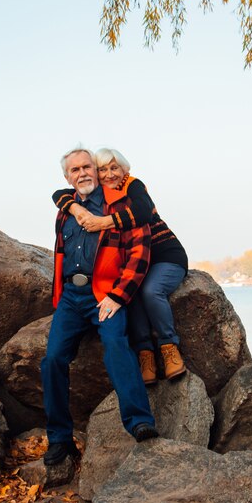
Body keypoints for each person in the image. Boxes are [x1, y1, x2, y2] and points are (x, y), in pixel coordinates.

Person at [42, 147, 158, 466]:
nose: (82, 173)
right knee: (52, 359)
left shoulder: (119, 203)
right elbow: (61, 253)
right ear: (67, 177)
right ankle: (60, 440)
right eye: (75, 170)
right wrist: (58, 296)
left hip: (105, 294)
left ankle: (139, 422)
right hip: (70, 297)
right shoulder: (66, 209)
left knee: (117, 345)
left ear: (96, 169)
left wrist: (118, 295)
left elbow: (139, 253)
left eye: (87, 167)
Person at [52, 148, 189, 386]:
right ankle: (145, 353)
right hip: (140, 264)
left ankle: (169, 347)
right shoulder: (102, 198)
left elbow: (143, 212)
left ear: (124, 169)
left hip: (164, 254)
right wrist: (75, 207)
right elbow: (59, 194)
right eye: (102, 169)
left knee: (149, 291)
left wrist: (103, 222)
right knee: (130, 295)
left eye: (114, 168)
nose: (109, 174)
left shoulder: (133, 187)